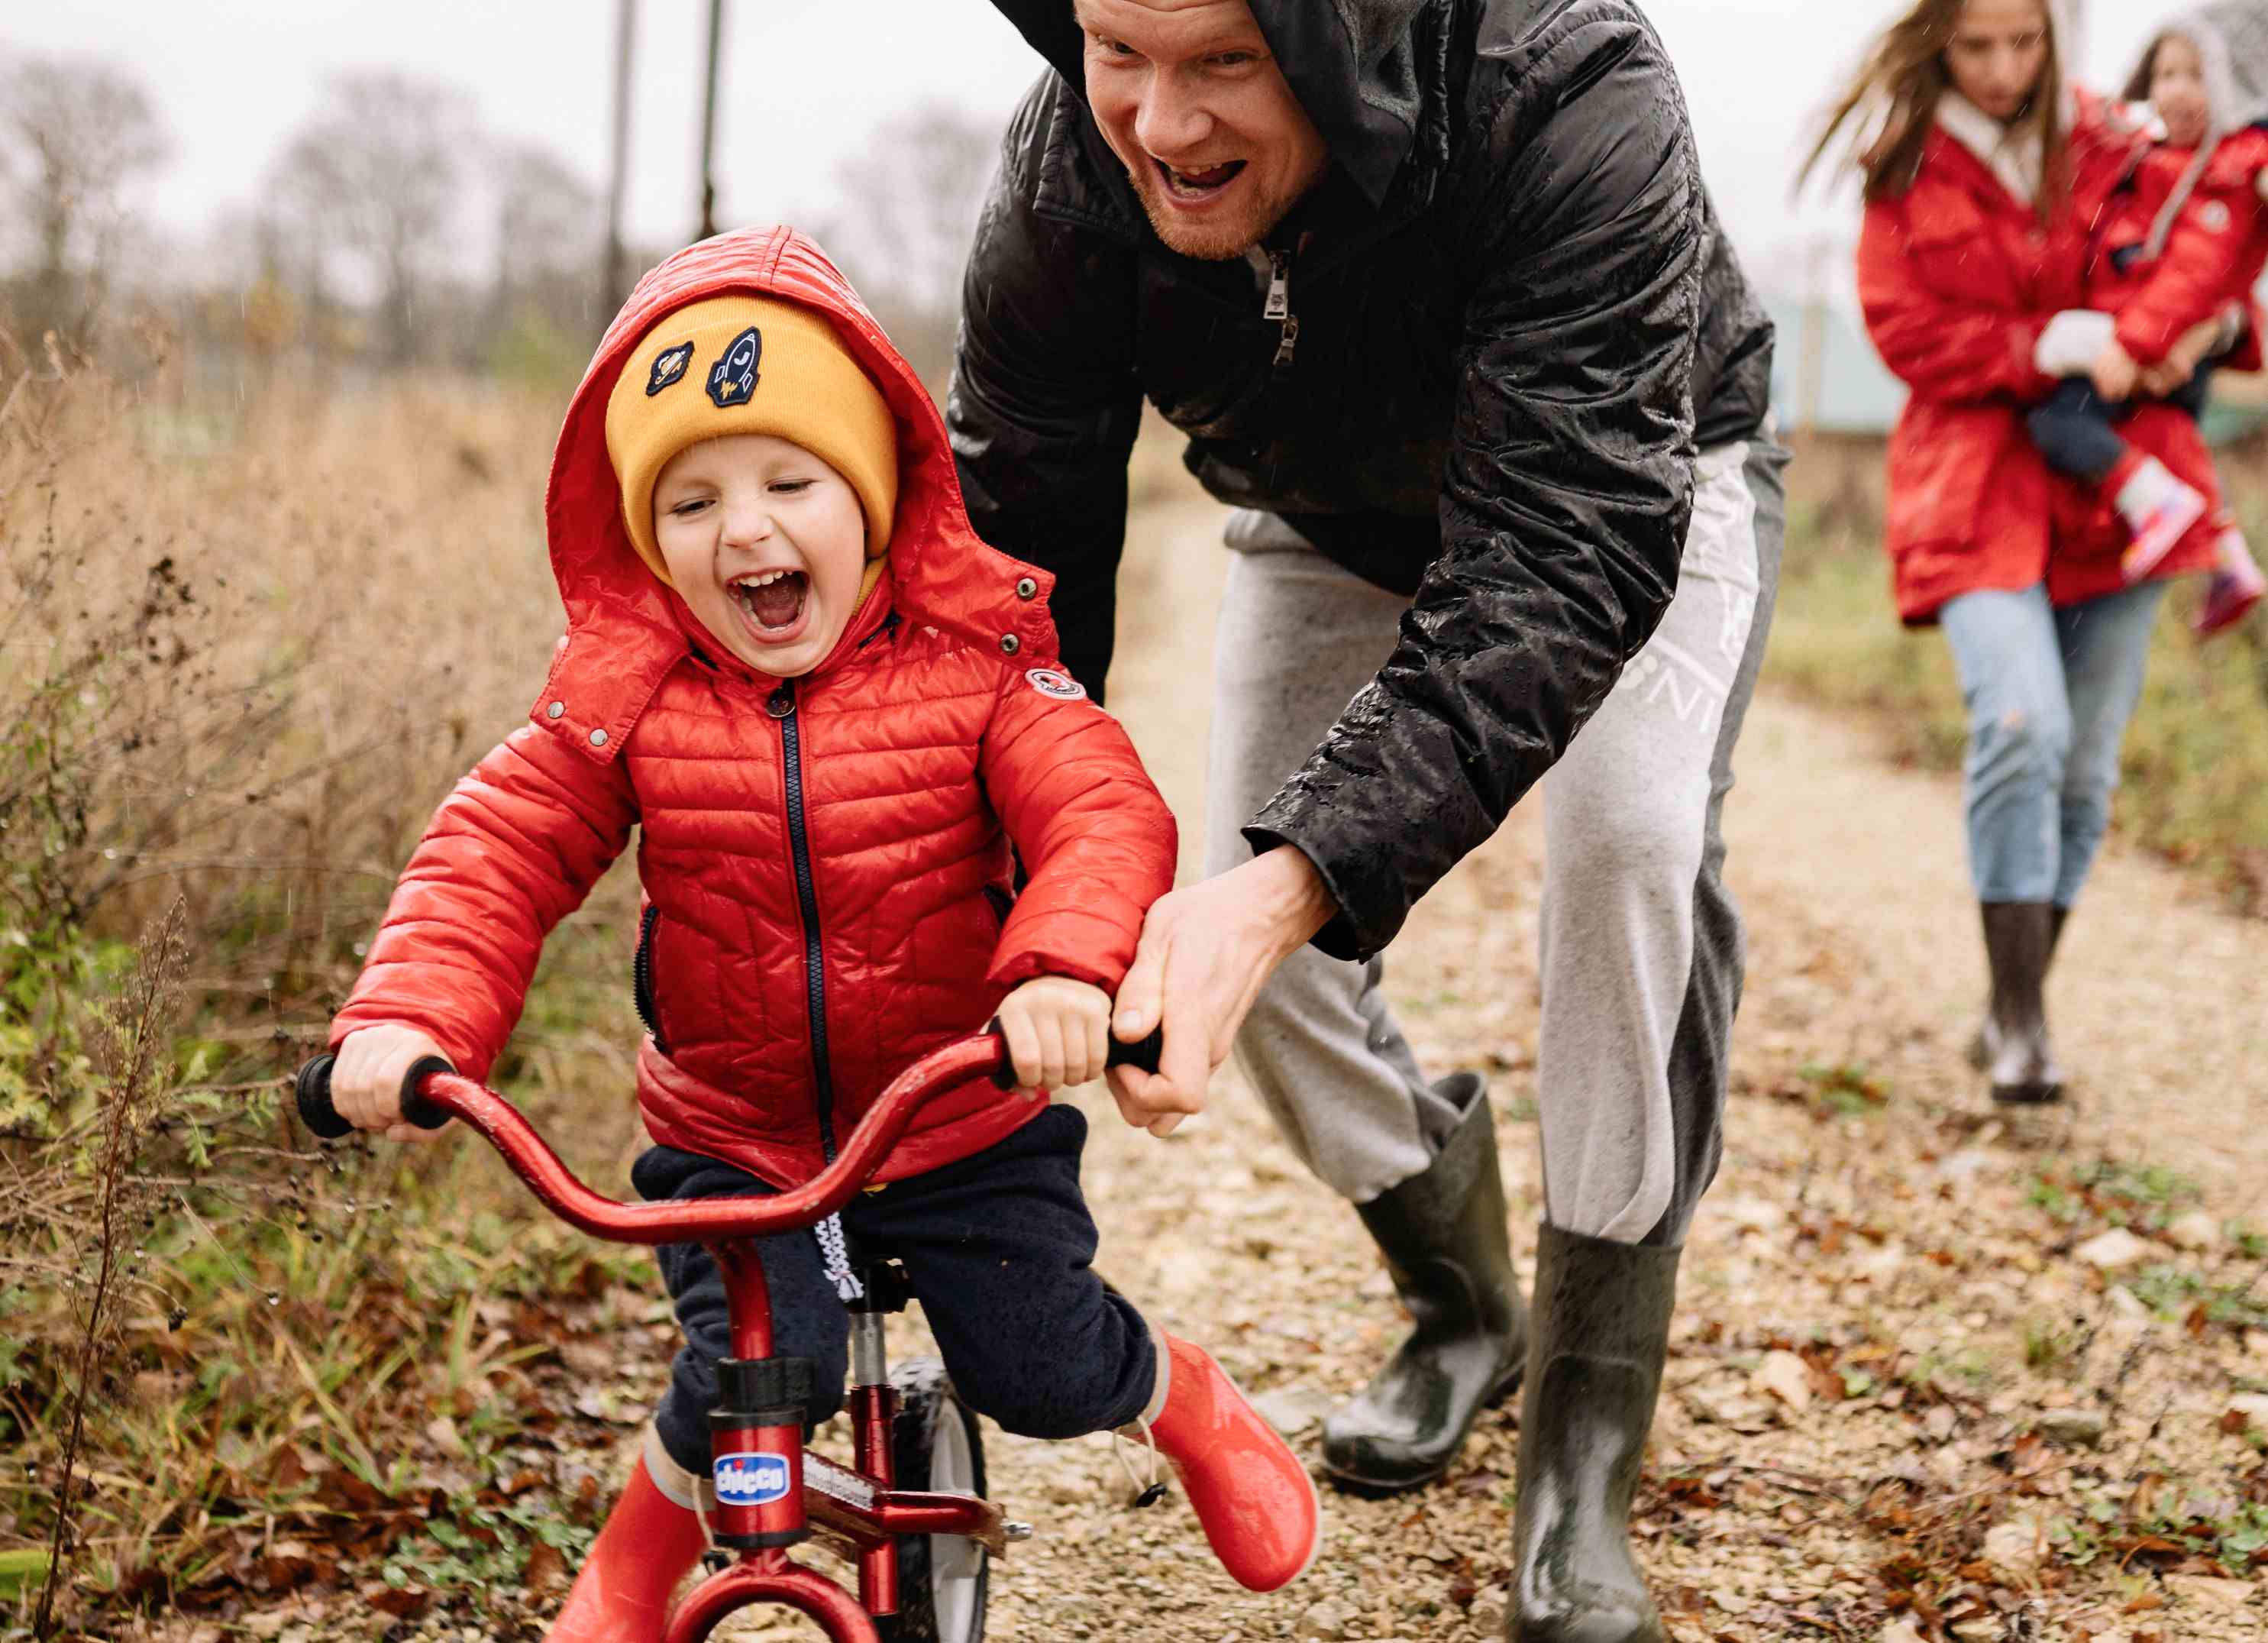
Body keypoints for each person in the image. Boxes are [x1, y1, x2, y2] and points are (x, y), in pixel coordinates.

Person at [318, 225, 1321, 1638]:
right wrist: (409, 1015)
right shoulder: (628, 696)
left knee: (1035, 1361)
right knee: (750, 1364)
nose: (745, 532)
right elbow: (497, 847)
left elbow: (1101, 810)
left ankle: (1183, 1397)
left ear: (875, 497)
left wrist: (1059, 970)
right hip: (733, 1127)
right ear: (640, 536)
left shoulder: (977, 667)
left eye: (792, 482)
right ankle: (629, 1570)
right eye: (690, 503)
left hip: (958, 1109)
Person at [950, 2, 1782, 1638]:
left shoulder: (1570, 85)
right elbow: (1013, 585)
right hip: (1322, 514)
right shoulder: (1067, 171)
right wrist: (1011, 886)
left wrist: (1292, 878)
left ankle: (1586, 1434)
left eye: (1219, 62)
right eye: (1118, 47)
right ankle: (1465, 1303)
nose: (1160, 123)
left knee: (1626, 848)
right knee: (1235, 920)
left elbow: (1560, 551)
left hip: (1635, 485)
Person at [1814, 0, 2218, 1108]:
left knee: (2084, 765)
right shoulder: (1904, 164)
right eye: (1975, 46)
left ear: (2053, 35)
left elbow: (2205, 254)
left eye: (2022, 43)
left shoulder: (2114, 140)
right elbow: (1901, 327)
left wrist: (2206, 317)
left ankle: (2009, 1002)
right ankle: (2024, 1024)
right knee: (2019, 722)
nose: (2000, 69)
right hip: (1971, 483)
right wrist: (2033, 343)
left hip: (2119, 489)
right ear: (1936, 41)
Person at [2027, 6, 2268, 635]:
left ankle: (2152, 502)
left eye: (2197, 74)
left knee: (2057, 423)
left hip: (2145, 343)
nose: (2177, 90)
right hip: (2151, 339)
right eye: (2165, 73)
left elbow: (2192, 274)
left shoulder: (2225, 171)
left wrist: (2133, 346)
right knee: (2172, 439)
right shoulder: (2153, 160)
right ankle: (2227, 558)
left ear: (2233, 86)